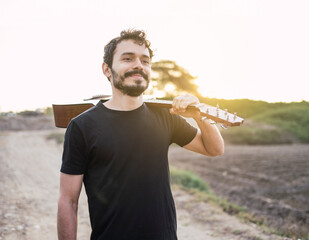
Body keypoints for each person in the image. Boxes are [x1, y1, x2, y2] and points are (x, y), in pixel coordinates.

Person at [57, 29, 224, 240]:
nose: (138, 65)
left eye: (145, 61)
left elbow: (215, 149)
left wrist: (198, 114)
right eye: (128, 58)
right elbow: (68, 200)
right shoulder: (82, 126)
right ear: (107, 69)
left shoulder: (165, 116)